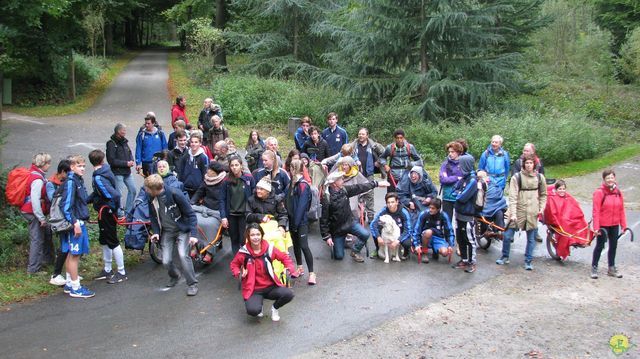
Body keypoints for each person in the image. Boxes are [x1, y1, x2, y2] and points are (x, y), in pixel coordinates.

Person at [230, 224, 297, 321]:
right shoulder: (243, 252)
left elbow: (285, 257)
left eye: (258, 234)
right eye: (252, 235)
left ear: (262, 235)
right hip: (254, 289)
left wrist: (288, 268)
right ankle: (259, 304)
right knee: (253, 311)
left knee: (289, 294)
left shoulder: (269, 249)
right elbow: (234, 264)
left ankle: (275, 308)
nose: (255, 237)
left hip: (271, 287)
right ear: (248, 236)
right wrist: (239, 273)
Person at [146, 174, 199, 296]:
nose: (146, 191)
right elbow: (153, 217)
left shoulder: (175, 194)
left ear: (154, 189)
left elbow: (191, 214)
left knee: (182, 255)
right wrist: (156, 233)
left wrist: (193, 234)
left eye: (148, 189)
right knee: (165, 260)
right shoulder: (151, 198)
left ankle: (192, 284)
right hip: (167, 231)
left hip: (181, 230)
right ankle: (175, 275)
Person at [320, 171, 389, 262]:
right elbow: (323, 220)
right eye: (340, 179)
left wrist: (377, 184)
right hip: (337, 230)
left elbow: (360, 187)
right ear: (334, 183)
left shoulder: (344, 190)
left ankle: (355, 251)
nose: (343, 181)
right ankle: (339, 243)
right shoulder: (326, 198)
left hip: (350, 223)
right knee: (339, 256)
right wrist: (327, 236)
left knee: (365, 234)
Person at [496, 155, 547, 271]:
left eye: (531, 163)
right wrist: (513, 213)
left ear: (535, 164)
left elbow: (544, 194)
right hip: (518, 210)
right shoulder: (517, 177)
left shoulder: (540, 178)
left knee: (531, 238)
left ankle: (528, 260)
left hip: (532, 211)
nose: (529, 165)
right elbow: (512, 197)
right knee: (507, 236)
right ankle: (505, 256)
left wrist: (542, 208)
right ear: (523, 164)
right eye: (527, 163)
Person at [87, 150, 127, 284]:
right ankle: (107, 269)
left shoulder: (98, 177)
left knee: (112, 241)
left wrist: (113, 209)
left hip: (106, 212)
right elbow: (98, 193)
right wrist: (86, 200)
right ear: (102, 160)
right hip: (103, 212)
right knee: (104, 240)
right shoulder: (104, 171)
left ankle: (121, 272)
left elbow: (113, 195)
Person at [59, 155, 94, 298]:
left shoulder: (77, 180)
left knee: (71, 254)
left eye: (84, 166)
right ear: (72, 167)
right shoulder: (71, 182)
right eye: (79, 166)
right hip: (75, 224)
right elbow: (65, 206)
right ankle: (75, 287)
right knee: (75, 254)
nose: (83, 169)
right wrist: (75, 223)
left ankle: (69, 283)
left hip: (78, 221)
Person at [20, 152, 54, 274]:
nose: (50, 165)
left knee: (45, 234)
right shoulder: (37, 179)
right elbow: (35, 200)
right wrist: (41, 218)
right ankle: (33, 269)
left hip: (30, 210)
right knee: (37, 239)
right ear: (43, 164)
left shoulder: (33, 173)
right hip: (33, 212)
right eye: (48, 163)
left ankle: (47, 260)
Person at [591, 169, 628, 279]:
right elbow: (595, 211)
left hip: (614, 224)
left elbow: (621, 209)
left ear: (614, 178)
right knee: (600, 246)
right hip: (603, 225)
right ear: (604, 180)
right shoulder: (599, 192)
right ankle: (594, 267)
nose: (610, 180)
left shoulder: (618, 192)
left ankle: (611, 268)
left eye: (612, 177)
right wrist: (596, 228)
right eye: (608, 178)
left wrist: (624, 225)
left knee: (613, 246)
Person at [285, 159, 315, 284]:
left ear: (293, 169)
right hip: (292, 221)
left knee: (304, 246)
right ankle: (299, 268)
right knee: (296, 245)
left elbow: (302, 206)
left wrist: (296, 223)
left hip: (300, 222)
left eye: (291, 168)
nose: (290, 171)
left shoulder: (303, 185)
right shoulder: (291, 184)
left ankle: (312, 273)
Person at [221, 157, 256, 254]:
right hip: (231, 215)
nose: (234, 167)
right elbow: (222, 199)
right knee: (234, 239)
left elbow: (254, 196)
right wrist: (223, 217)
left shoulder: (248, 178)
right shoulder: (226, 181)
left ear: (241, 166)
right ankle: (237, 260)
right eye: (232, 165)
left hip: (244, 215)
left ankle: (246, 259)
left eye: (236, 165)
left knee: (244, 238)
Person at [452, 155, 479, 273]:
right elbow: (453, 191)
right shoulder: (463, 179)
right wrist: (458, 193)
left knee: (469, 239)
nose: (459, 167)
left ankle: (472, 262)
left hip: (467, 215)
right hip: (458, 214)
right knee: (460, 238)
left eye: (461, 164)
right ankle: (464, 259)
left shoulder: (472, 180)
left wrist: (459, 193)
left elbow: (462, 197)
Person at [47, 159, 72, 286]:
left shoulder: (65, 182)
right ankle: (56, 274)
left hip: (66, 218)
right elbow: (53, 200)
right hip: (59, 219)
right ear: (63, 172)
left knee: (68, 246)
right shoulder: (51, 184)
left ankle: (69, 272)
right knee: (63, 247)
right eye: (68, 173)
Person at [352, 128, 385, 222]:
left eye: (363, 134)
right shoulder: (354, 145)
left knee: (369, 195)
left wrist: (379, 162)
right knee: (358, 194)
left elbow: (384, 153)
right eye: (359, 134)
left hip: (369, 173)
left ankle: (370, 216)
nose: (360, 136)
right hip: (357, 174)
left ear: (367, 135)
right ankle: (360, 214)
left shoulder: (373, 146)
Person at [370, 192, 412, 261]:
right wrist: (378, 237)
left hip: (400, 233)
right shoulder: (383, 211)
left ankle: (406, 252)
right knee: (376, 229)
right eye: (388, 202)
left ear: (397, 202)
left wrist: (398, 240)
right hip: (387, 232)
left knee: (407, 243)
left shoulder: (404, 212)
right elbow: (373, 224)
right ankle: (378, 248)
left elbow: (408, 230)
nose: (390, 204)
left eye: (392, 202)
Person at [106, 123, 137, 214]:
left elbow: (129, 153)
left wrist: (131, 160)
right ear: (119, 131)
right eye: (124, 130)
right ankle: (119, 213)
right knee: (118, 194)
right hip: (117, 173)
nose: (125, 132)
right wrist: (125, 163)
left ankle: (128, 211)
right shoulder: (111, 144)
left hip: (127, 172)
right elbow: (111, 160)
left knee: (133, 190)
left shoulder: (124, 142)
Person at [412, 199, 455, 263]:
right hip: (424, 237)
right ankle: (424, 252)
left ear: (438, 209)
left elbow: (449, 231)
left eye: (433, 208)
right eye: (430, 207)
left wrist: (450, 245)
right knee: (428, 232)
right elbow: (417, 230)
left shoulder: (444, 216)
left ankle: (436, 251)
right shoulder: (424, 214)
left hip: (437, 237)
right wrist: (416, 244)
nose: (430, 210)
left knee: (445, 253)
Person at [177, 132, 209, 197]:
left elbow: (205, 176)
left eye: (196, 142)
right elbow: (181, 171)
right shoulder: (186, 155)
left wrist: (202, 193)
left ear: (200, 143)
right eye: (192, 142)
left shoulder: (203, 157)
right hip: (185, 188)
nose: (193, 144)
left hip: (197, 191)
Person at [439, 141, 464, 221]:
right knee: (446, 221)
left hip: (459, 197)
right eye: (449, 152)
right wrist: (456, 178)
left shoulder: (463, 164)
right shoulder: (445, 164)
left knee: (460, 224)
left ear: (458, 152)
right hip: (447, 197)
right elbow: (443, 179)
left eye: (452, 152)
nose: (450, 154)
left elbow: (464, 179)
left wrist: (449, 178)